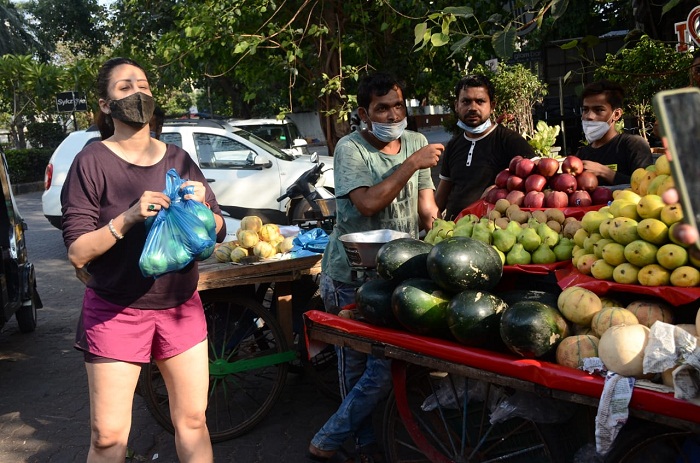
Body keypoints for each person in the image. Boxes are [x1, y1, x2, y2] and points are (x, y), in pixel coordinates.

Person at [61, 57, 226, 463]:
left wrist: (203, 209)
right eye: (124, 87)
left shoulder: (178, 160)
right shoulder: (92, 162)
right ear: (104, 105)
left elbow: (219, 229)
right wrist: (128, 218)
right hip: (116, 311)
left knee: (193, 420)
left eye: (144, 84)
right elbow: (78, 251)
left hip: (181, 309)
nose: (138, 92)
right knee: (107, 438)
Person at [308, 72, 443, 463]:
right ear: (363, 113)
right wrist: (411, 164)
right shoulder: (350, 149)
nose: (391, 114)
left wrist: (442, 228)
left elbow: (426, 206)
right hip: (351, 277)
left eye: (397, 105)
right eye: (381, 108)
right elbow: (368, 203)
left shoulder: (416, 141)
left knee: (383, 367)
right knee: (355, 369)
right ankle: (361, 445)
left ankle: (333, 438)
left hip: (396, 274)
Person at [435, 74, 535, 221]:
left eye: (480, 101)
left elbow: (537, 180)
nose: (473, 108)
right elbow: (441, 198)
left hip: (492, 231)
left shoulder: (510, 141)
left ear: (492, 106)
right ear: (457, 105)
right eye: (466, 101)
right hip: (453, 231)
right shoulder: (453, 145)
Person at [576, 80, 653, 185]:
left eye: (598, 110)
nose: (589, 116)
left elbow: (646, 185)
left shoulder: (632, 145)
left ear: (616, 114)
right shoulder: (582, 154)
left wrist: (604, 172)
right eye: (585, 110)